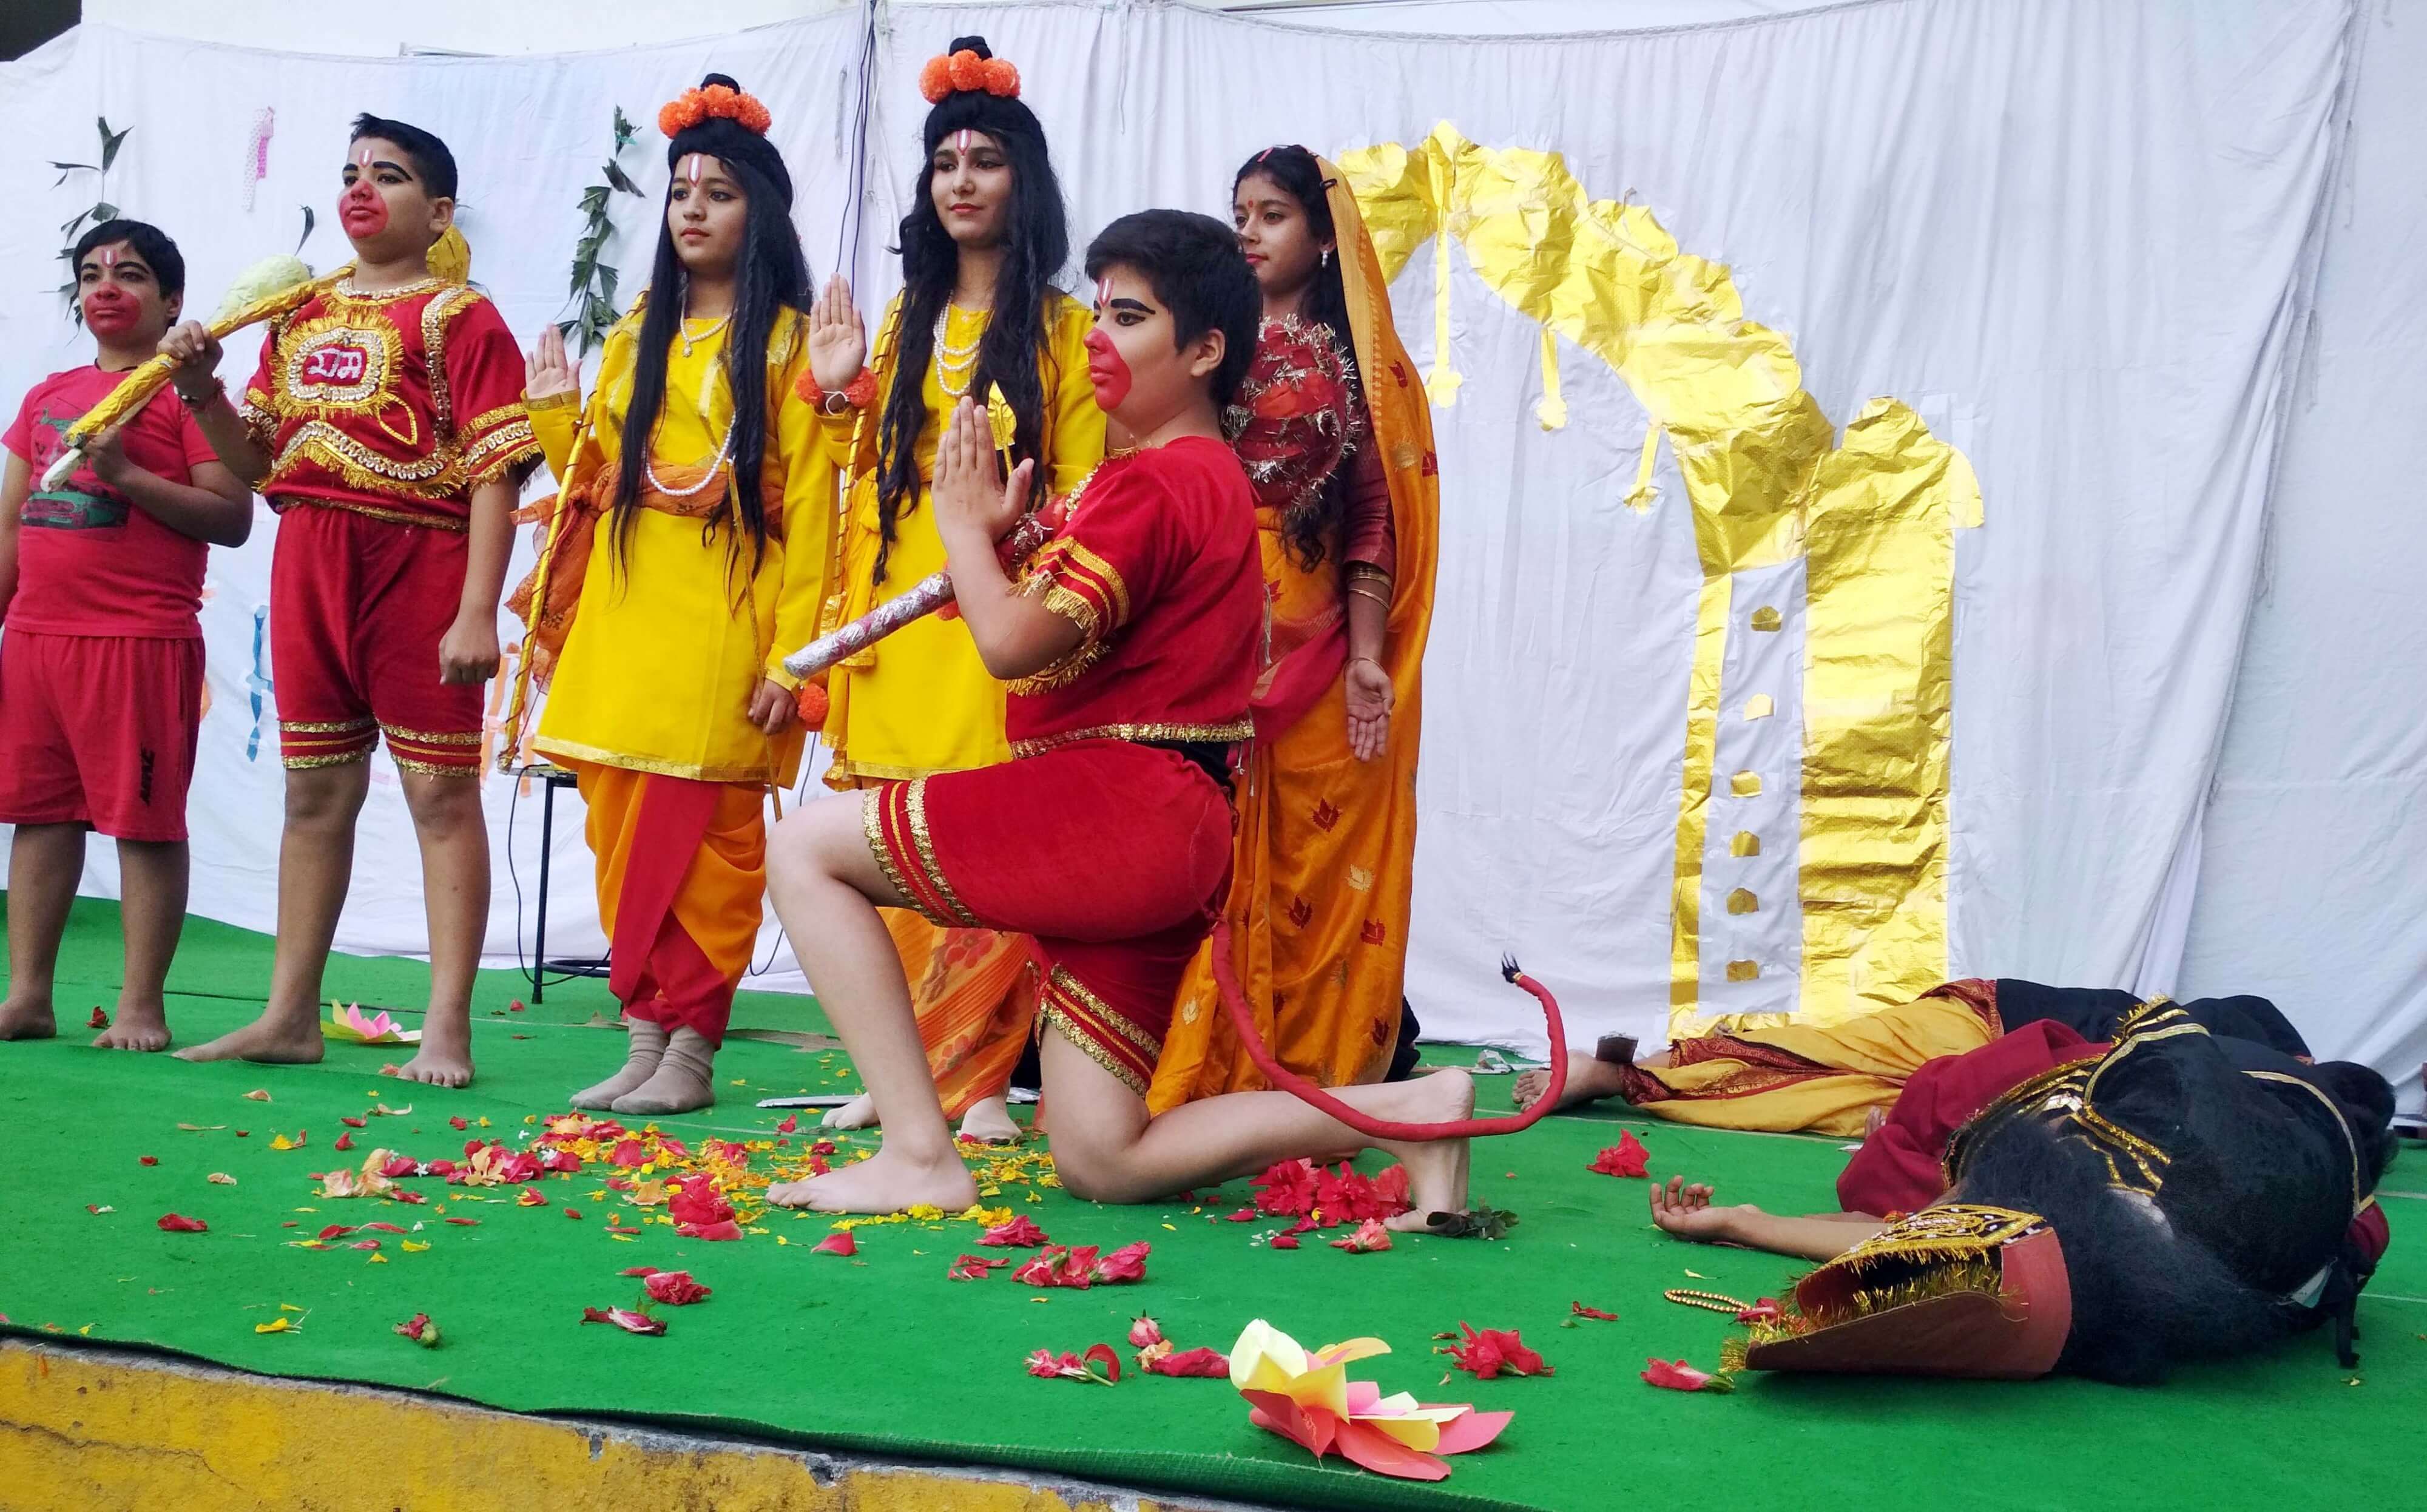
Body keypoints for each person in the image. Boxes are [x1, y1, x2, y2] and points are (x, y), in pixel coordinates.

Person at [759, 211, 1476, 1221]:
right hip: (1171, 829)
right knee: (1103, 1156)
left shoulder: (1160, 482)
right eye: (1097, 312)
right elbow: (1069, 635)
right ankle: (1412, 1108)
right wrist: (1000, 543)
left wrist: (960, 532)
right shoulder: (1197, 478)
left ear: (1206, 351)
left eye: (1130, 317)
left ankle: (917, 1151)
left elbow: (1012, 644)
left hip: (1117, 811)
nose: (1097, 336)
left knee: (802, 850)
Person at [159, 115, 538, 1087]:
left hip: (422, 565)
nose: (363, 188)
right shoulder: (298, 315)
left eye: (390, 175)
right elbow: (257, 465)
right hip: (311, 564)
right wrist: (200, 391)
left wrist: (477, 610)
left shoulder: (461, 317)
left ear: (440, 212)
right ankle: (289, 1015)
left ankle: (446, 1028)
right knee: (314, 792)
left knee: (439, 795)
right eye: (351, 173)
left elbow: (496, 470)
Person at [801, 35, 1104, 1143]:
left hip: (994, 624)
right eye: (943, 165)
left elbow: (1088, 497)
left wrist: (1005, 537)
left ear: (1025, 181)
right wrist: (839, 396)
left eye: (984, 161)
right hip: (897, 618)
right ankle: (904, 1073)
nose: (961, 182)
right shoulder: (901, 323)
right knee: (887, 845)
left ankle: (974, 1078)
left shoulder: (1070, 332)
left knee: (983, 843)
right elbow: (856, 485)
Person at [507, 76, 828, 1115]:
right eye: (682, 191)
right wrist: (554, 419)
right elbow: (596, 482)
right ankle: (644, 1041)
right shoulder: (637, 335)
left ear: (760, 213)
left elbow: (816, 511)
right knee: (614, 831)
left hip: (726, 620)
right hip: (623, 617)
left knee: (705, 842)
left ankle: (691, 1054)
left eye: (719, 193)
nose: (693, 208)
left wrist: (795, 659)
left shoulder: (792, 345)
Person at [1146, 144, 1439, 1116]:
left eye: (1271, 214)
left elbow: (1375, 517)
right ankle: (1199, 1066)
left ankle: (1313, 1065)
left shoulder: (1369, 375)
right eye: (1239, 214)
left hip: (1314, 647)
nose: (1249, 232)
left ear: (1324, 237)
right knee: (1200, 847)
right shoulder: (1204, 348)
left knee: (1314, 851)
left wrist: (1367, 658)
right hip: (1208, 625)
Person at [1649, 1003, 2395, 1382]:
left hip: (2168, 1216)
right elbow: (1922, 1229)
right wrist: (1748, 1222)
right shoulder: (2308, 1197)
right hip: (2184, 1216)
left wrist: (1746, 1222)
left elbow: (1922, 1225)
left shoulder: (2068, 1163)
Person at [0, 221, 252, 1051]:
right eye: (91, 274)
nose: (106, 285)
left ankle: (142, 1004)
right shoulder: (47, 396)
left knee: (146, 823)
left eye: (131, 274)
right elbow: (11, 525)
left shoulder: (188, 397)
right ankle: (28, 997)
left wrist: (124, 474)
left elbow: (233, 517)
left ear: (172, 302)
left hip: (137, 641)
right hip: (36, 639)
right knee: (40, 817)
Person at [1511, 976, 2311, 1134]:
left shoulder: (2251, 1073)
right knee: (1814, 1060)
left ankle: (1620, 1077)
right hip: (1985, 1022)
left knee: (1831, 1107)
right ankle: (1619, 1070)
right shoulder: (2251, 1044)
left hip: (2010, 1074)